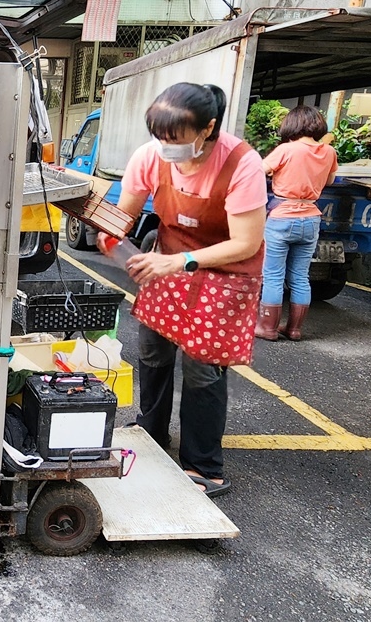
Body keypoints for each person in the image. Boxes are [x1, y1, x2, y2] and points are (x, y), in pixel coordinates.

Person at [114, 83, 266, 498]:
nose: (165, 147)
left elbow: (246, 242)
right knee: (153, 351)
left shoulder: (241, 164)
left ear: (207, 128)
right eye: (159, 137)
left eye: (175, 138)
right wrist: (109, 233)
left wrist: (177, 263)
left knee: (203, 365)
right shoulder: (150, 157)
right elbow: (123, 214)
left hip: (225, 273)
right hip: (167, 263)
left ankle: (204, 466)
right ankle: (152, 433)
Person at [255, 105, 338, 341]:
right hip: (311, 218)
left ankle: (268, 328)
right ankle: (294, 329)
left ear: (292, 124)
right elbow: (330, 179)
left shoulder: (286, 149)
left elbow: (259, 171)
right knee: (300, 276)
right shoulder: (329, 152)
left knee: (273, 275)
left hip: (282, 215)